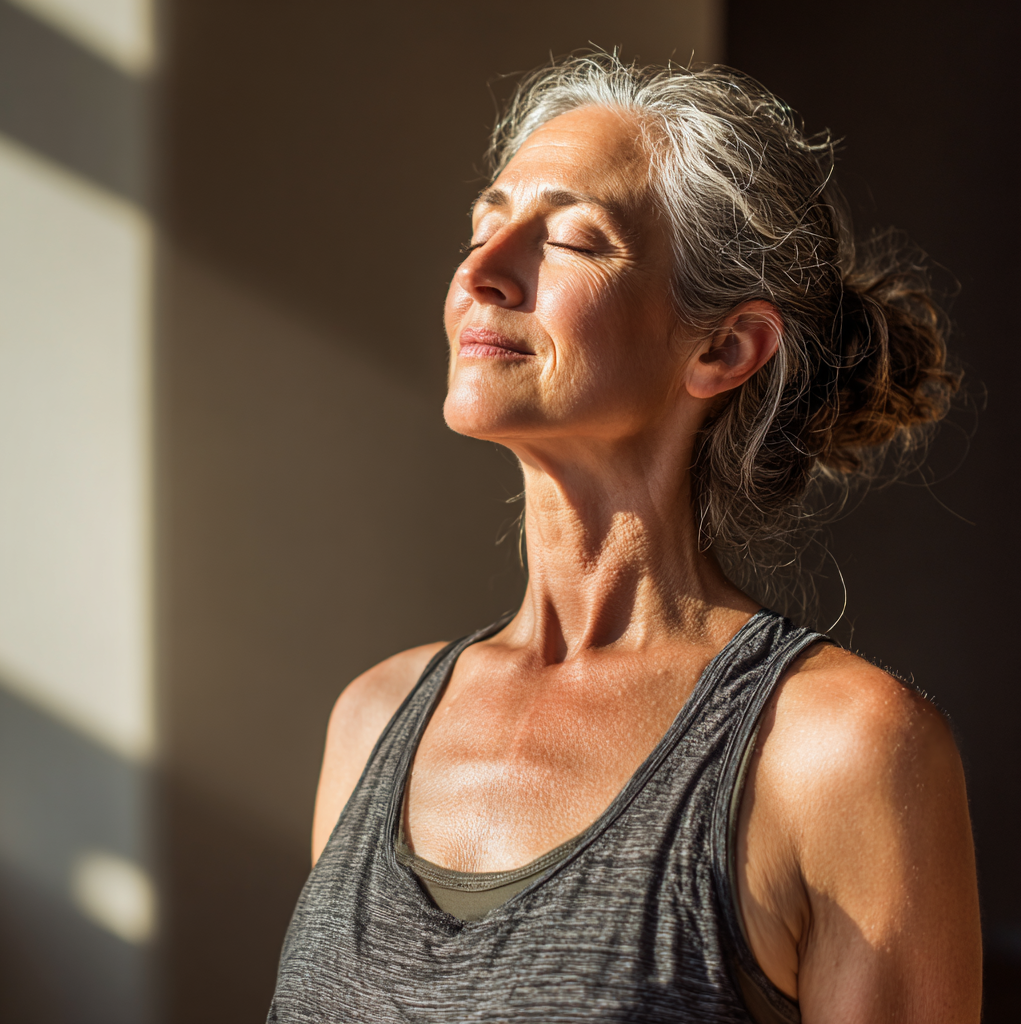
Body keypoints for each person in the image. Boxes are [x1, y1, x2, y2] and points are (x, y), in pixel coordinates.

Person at [268, 56, 981, 1023]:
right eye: (483, 226)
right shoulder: (373, 720)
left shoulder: (840, 754)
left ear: (723, 349)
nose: (480, 273)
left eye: (568, 240)